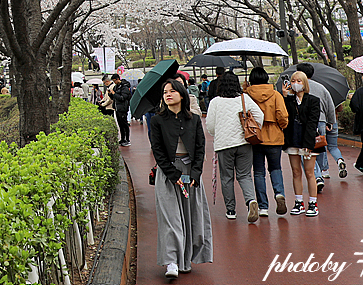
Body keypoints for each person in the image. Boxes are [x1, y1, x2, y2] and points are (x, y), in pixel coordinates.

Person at [149, 78, 213, 279]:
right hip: (168, 174)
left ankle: (185, 260)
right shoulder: (157, 120)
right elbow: (157, 150)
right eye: (165, 92)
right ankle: (171, 262)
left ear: (182, 94)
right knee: (171, 219)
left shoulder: (193, 119)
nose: (167, 95)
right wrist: (172, 173)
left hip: (191, 173)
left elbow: (200, 148)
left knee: (192, 217)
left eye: (172, 91)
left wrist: (195, 173)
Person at [206, 72, 263, 223]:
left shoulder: (215, 102)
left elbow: (210, 126)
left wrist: (217, 133)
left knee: (227, 178)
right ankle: (251, 200)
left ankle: (231, 210)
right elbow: (260, 116)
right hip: (244, 143)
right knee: (244, 175)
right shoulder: (244, 98)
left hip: (224, 144)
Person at [245, 67, 289, 217]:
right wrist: (282, 126)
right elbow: (282, 117)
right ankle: (279, 194)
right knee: (275, 168)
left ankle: (263, 206)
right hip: (275, 137)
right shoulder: (276, 95)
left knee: (258, 172)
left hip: (255, 138)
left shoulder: (246, 96)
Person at [297, 62, 343, 192]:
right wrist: (331, 122)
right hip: (321, 121)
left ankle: (317, 177)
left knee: (306, 151)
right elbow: (330, 106)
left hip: (304, 123)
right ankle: (323, 171)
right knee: (319, 147)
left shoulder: (296, 88)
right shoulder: (321, 88)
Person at [282, 70, 322, 216]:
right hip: (293, 139)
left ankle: (313, 202)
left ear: (304, 83)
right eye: (293, 81)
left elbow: (312, 123)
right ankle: (299, 202)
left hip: (309, 140)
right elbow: (285, 116)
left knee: (310, 172)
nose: (295, 83)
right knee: (295, 171)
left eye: (299, 81)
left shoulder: (313, 100)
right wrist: (285, 96)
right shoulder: (289, 101)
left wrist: (308, 143)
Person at [107, 73, 134, 146]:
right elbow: (114, 98)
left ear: (118, 79)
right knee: (120, 124)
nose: (114, 82)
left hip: (123, 108)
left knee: (124, 124)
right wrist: (110, 94)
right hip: (117, 108)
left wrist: (114, 94)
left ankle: (127, 139)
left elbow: (122, 98)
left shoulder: (124, 87)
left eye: (114, 80)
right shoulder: (116, 87)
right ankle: (122, 138)